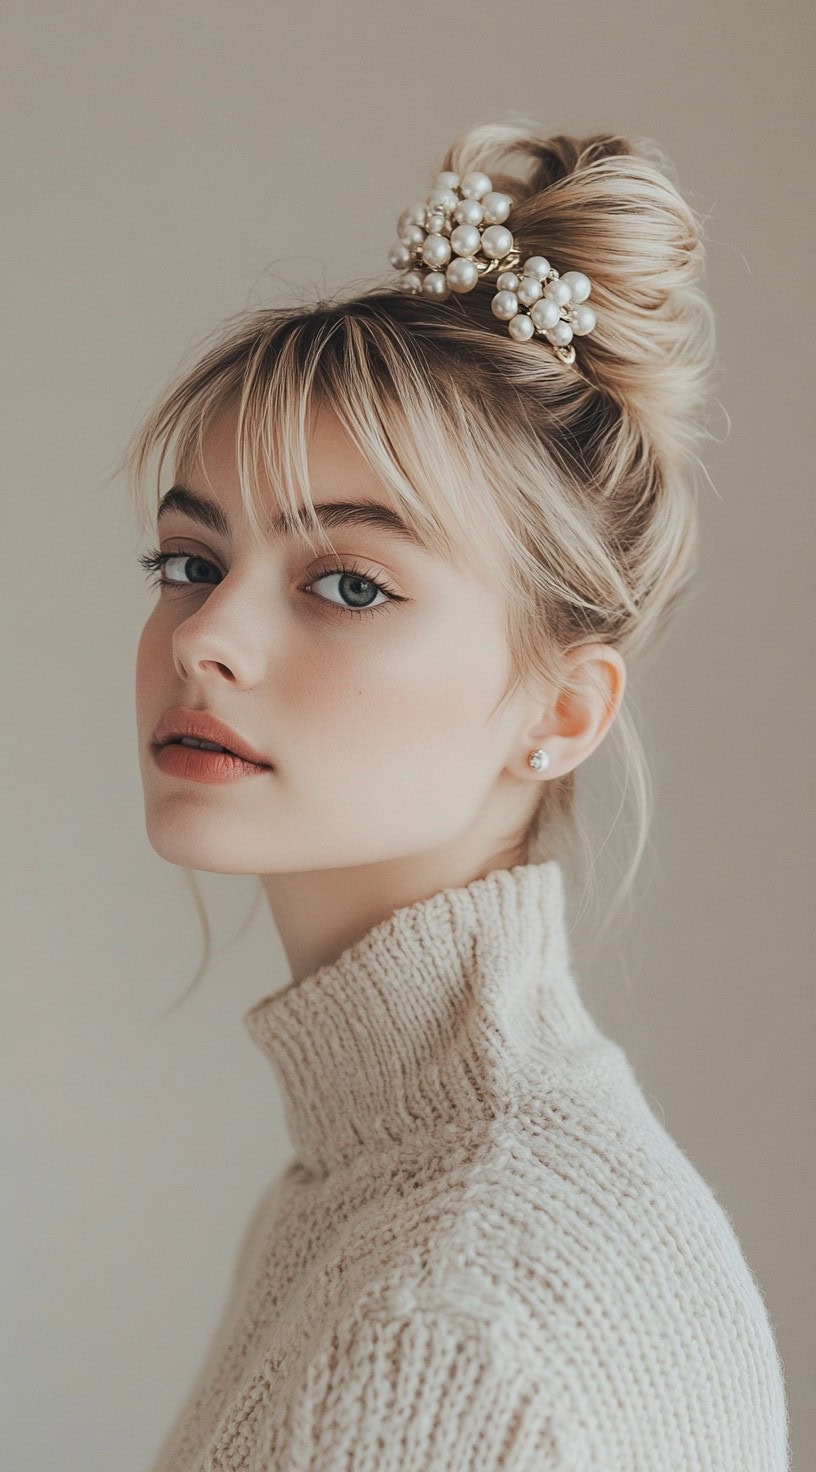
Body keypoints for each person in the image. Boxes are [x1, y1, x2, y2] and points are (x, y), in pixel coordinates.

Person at [120, 122, 790, 1470]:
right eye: (192, 561)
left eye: (348, 584)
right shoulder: (379, 1192)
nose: (206, 639)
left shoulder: (442, 1316)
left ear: (562, 712)